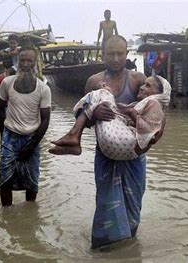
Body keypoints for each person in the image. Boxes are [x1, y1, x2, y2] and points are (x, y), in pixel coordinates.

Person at [57, 35, 164, 249]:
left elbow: (155, 113)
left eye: (120, 53)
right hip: (106, 152)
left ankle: (129, 248)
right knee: (107, 202)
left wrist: (151, 140)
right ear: (102, 55)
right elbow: (84, 115)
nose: (116, 58)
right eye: (111, 53)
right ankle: (104, 249)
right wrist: (95, 113)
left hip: (134, 154)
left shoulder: (137, 80)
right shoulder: (94, 82)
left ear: (126, 54)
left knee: (133, 204)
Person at [49, 75, 170, 160]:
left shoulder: (154, 103)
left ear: (159, 95)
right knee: (103, 95)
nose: (142, 87)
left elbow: (151, 135)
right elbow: (118, 111)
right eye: (144, 84)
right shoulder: (142, 105)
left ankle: (74, 136)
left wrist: (131, 112)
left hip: (126, 144)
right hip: (123, 148)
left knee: (101, 93)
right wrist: (103, 104)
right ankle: (74, 137)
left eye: (148, 86)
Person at [0, 46, 51, 207]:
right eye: (22, 60)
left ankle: (30, 214)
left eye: (30, 61)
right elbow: (0, 110)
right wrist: (3, 137)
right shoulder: (7, 83)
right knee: (4, 178)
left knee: (32, 181)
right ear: (17, 62)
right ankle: (6, 214)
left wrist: (31, 145)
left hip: (32, 138)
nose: (26, 64)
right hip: (10, 136)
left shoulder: (43, 89)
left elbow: (45, 119)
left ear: (35, 63)